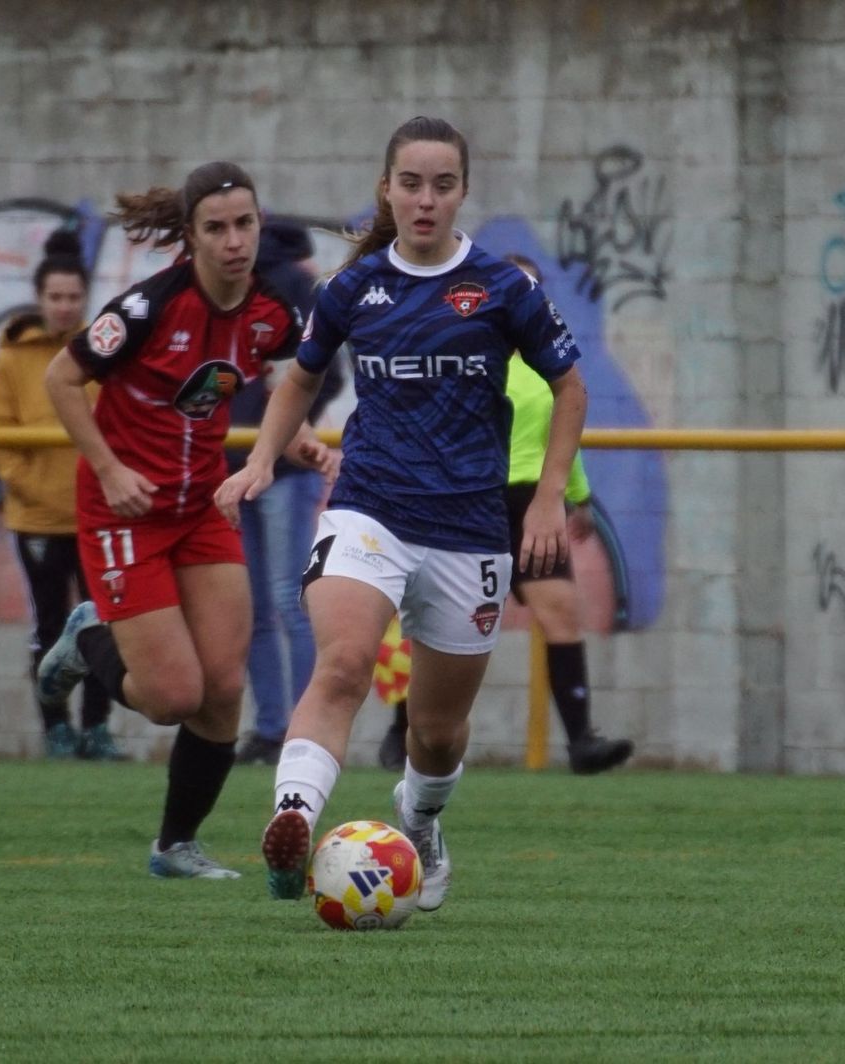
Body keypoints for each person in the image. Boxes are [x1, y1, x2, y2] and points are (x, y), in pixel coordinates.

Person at [217, 115, 588, 909]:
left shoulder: (502, 288)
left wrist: (549, 496)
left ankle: (419, 817)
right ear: (386, 189)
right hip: (370, 509)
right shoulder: (352, 289)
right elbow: (299, 380)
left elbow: (569, 386)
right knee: (343, 666)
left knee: (437, 730)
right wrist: (258, 458)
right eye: (411, 184)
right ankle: (292, 818)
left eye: (442, 185)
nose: (426, 200)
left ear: (462, 193)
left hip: (469, 529)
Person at [34, 161, 332, 880]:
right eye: (217, 228)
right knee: (172, 696)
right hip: (124, 511)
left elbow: (282, 384)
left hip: (201, 507)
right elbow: (61, 378)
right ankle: (88, 640)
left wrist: (293, 440)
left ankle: (175, 847)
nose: (235, 241)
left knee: (223, 688)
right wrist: (109, 469)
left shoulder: (270, 313)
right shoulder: (149, 308)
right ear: (191, 238)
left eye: (245, 225)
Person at [378, 253, 633, 775]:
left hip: (533, 503)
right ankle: (400, 730)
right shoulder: (472, 354)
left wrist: (576, 499)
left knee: (561, 610)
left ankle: (582, 740)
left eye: (534, 290)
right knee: (437, 618)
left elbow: (565, 436)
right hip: (473, 497)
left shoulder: (550, 367)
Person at [0, 229, 119, 760]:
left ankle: (96, 728)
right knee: (47, 623)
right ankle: (55, 728)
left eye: (73, 298)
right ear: (40, 299)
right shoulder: (13, 356)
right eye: (55, 297)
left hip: (98, 516)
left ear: (84, 299)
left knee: (106, 623)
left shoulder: (105, 351)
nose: (64, 306)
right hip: (37, 518)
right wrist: (30, 485)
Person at [231, 217, 344, 767]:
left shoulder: (238, 289)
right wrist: (299, 425)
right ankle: (296, 727)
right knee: (283, 600)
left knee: (266, 603)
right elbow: (333, 376)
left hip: (240, 462)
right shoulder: (300, 288)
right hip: (276, 465)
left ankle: (280, 726)